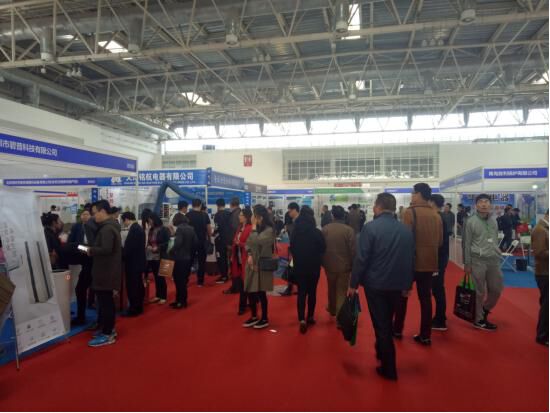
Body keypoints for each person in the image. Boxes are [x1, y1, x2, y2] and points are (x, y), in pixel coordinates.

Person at [348, 193, 414, 381]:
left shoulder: (370, 228)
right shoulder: (405, 230)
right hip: (398, 284)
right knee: (387, 321)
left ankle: (389, 367)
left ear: (378, 207)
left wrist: (353, 284)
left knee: (382, 325)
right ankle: (382, 352)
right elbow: (410, 259)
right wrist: (408, 284)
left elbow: (361, 259)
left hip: (375, 284)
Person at [393, 183, 442, 346]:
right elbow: (440, 241)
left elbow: (405, 240)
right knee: (426, 299)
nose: (412, 196)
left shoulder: (410, 212)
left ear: (419, 194)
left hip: (411, 262)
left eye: (413, 193)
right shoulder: (436, 215)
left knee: (402, 297)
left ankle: (397, 329)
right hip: (430, 263)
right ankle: (425, 335)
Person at [463, 194, 504, 331]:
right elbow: (466, 243)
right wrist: (467, 263)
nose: (484, 204)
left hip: (493, 260)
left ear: (490, 204)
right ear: (476, 205)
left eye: (486, 201)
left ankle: (484, 310)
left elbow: (495, 239)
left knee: (496, 289)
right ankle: (479, 319)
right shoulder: (470, 221)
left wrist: (496, 251)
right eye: (481, 202)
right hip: (477, 260)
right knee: (479, 292)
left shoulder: (493, 221)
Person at [86, 200, 122, 347]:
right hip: (107, 271)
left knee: (106, 304)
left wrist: (91, 250)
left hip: (106, 272)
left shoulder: (107, 229)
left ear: (102, 211)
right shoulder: (110, 227)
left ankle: (108, 334)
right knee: (106, 303)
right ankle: (109, 329)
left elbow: (106, 249)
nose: (93, 216)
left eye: (94, 213)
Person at [290, 206, 326, 334]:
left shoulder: (295, 232)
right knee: (312, 292)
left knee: (301, 292)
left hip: (299, 266)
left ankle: (301, 319)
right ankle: (310, 316)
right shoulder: (316, 232)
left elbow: (292, 247)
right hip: (314, 266)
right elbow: (323, 248)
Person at [242, 205, 275, 329]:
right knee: (250, 290)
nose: (252, 218)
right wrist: (250, 254)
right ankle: (254, 316)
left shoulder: (269, 230)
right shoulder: (255, 229)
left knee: (261, 292)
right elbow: (248, 243)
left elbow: (257, 241)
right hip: (252, 263)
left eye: (254, 215)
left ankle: (265, 318)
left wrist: (254, 228)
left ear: (259, 217)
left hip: (262, 263)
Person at [322, 205, 356, 321]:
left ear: (332, 216)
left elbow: (321, 247)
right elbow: (353, 250)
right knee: (341, 291)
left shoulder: (325, 229)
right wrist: (353, 265)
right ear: (344, 216)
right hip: (344, 266)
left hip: (329, 265)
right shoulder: (349, 230)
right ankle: (340, 317)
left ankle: (332, 308)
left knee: (331, 287)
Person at [69, 207, 96, 325]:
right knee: (80, 289)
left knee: (85, 289)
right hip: (85, 262)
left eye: (87, 214)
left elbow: (94, 248)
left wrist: (83, 248)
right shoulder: (77, 226)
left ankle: (89, 318)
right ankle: (81, 316)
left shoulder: (95, 228)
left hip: (93, 263)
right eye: (83, 214)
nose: (85, 216)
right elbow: (72, 242)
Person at [429, 194, 450, 331]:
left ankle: (440, 319)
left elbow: (437, 242)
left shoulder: (437, 217)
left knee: (437, 289)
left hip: (437, 259)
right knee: (438, 289)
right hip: (441, 258)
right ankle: (440, 316)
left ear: (432, 202)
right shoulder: (441, 216)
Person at [169, 213, 198, 309]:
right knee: (183, 281)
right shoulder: (191, 228)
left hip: (179, 258)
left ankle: (181, 301)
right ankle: (180, 300)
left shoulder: (180, 229)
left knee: (178, 281)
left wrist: (170, 251)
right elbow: (195, 243)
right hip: (187, 257)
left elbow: (177, 243)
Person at [121, 212, 146, 316]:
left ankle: (134, 309)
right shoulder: (138, 228)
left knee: (133, 286)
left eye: (123, 221)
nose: (124, 224)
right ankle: (138, 307)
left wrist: (121, 254)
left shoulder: (134, 229)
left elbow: (129, 248)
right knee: (138, 285)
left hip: (133, 263)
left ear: (127, 219)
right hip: (138, 262)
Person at [231, 207, 253, 315]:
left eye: (241, 215)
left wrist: (240, 244)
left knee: (245, 283)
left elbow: (251, 245)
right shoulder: (240, 227)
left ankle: (242, 306)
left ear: (246, 217)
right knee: (242, 282)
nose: (239, 216)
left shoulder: (250, 228)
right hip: (239, 258)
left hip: (247, 258)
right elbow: (235, 240)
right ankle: (249, 302)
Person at [531, 209, 548, 346]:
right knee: (547, 306)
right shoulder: (540, 229)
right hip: (544, 272)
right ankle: (543, 336)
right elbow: (539, 252)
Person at [187, 199, 212, 287]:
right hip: (202, 241)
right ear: (200, 205)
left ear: (192, 205)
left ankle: (185, 280)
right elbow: (208, 228)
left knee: (189, 261)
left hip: (190, 242)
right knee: (202, 262)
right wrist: (210, 238)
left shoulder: (188, 215)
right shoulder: (204, 215)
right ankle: (200, 282)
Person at [146, 213, 171, 304]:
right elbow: (149, 241)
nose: (149, 222)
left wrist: (158, 247)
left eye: (150, 220)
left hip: (161, 255)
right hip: (152, 256)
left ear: (154, 220)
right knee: (156, 277)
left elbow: (168, 243)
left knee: (161, 277)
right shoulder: (151, 229)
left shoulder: (164, 229)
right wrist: (149, 246)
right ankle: (158, 295)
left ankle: (163, 296)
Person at [281, 202, 300, 296]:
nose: (289, 213)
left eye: (290, 211)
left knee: (293, 268)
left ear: (295, 210)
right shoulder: (293, 221)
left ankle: (292, 287)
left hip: (299, 251)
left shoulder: (299, 222)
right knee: (292, 267)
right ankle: (291, 287)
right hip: (294, 250)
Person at [213, 198, 232, 285]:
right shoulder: (229, 213)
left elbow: (217, 228)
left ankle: (224, 276)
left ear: (217, 205)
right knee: (229, 258)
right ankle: (228, 274)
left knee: (221, 258)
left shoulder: (217, 215)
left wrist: (213, 233)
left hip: (220, 240)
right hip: (228, 240)